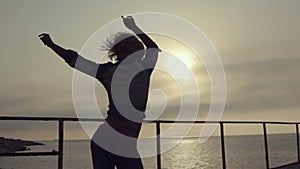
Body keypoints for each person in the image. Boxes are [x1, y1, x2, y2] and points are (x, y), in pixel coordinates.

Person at [39, 16, 160, 169]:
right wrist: (133, 27)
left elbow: (74, 60)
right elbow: (153, 48)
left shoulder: (111, 72)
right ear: (125, 52)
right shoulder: (142, 69)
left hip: (104, 140)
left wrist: (51, 45)